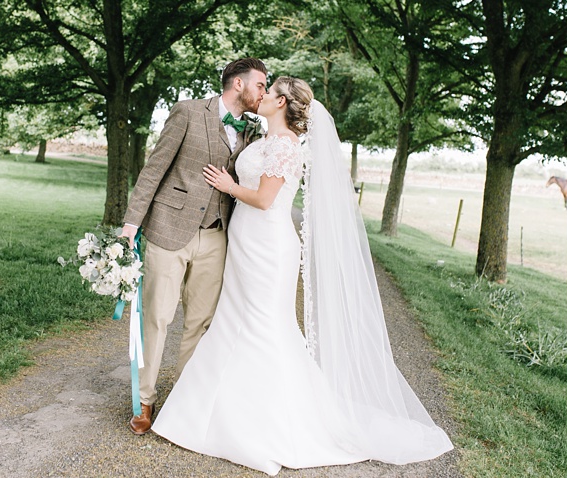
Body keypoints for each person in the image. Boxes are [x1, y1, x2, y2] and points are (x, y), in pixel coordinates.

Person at [150, 77, 453, 474]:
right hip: (245, 243)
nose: (262, 94)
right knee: (234, 320)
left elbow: (264, 198)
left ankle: (267, 423)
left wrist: (228, 185)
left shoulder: (284, 145)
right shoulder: (262, 140)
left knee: (262, 326)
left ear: (280, 102)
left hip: (268, 245)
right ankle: (212, 409)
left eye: (269, 89)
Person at [120, 58, 267, 435]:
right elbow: (154, 169)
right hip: (169, 230)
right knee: (157, 316)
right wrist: (129, 226)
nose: (263, 92)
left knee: (200, 323)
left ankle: (183, 401)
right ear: (238, 83)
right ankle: (146, 401)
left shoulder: (253, 131)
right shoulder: (186, 112)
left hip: (217, 236)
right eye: (261, 85)